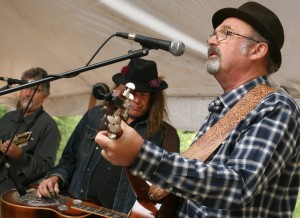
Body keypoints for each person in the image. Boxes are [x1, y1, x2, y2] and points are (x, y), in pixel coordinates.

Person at [95, 2, 300, 217]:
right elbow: (195, 188)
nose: (212, 40)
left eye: (226, 33)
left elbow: (239, 185)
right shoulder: (222, 109)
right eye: (213, 34)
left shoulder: (276, 106)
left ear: (258, 49)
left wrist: (141, 154)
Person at [37, 58, 180, 214]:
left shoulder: (166, 135)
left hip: (120, 214)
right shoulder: (95, 116)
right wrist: (55, 177)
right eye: (132, 93)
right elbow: (69, 159)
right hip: (76, 209)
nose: (137, 100)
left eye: (144, 94)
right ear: (121, 90)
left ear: (153, 97)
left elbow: (165, 189)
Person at [0, 67, 61, 195]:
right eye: (24, 87)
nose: (27, 93)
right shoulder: (7, 118)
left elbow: (46, 168)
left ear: (44, 96)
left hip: (13, 195)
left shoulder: (49, 127)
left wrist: (20, 156)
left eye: (34, 89)